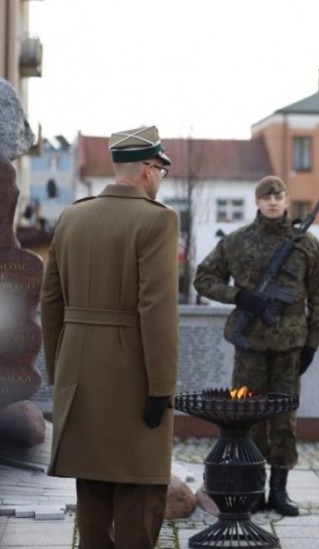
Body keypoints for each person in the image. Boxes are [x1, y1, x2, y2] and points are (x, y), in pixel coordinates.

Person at [41, 125, 179, 549]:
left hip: (77, 375)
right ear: (149, 170)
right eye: (161, 172)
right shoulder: (158, 220)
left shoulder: (71, 217)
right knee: (139, 494)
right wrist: (161, 388)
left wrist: (59, 376)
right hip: (132, 375)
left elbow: (51, 303)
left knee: (93, 498)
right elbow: (156, 310)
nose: (160, 180)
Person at [193, 176, 319, 516]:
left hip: (290, 345)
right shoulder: (238, 242)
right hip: (250, 344)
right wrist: (239, 296)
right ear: (257, 202)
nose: (272, 202)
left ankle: (279, 491)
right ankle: (252, 489)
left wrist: (313, 342)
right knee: (249, 417)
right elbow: (204, 278)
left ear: (287, 201)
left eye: (278, 197)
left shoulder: (307, 245)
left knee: (284, 419)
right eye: (266, 197)